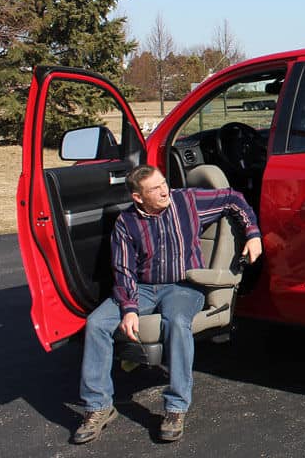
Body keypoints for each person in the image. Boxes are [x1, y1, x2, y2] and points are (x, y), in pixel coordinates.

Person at [73, 165, 262, 444]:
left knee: (177, 322)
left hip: (183, 285)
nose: (164, 191)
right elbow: (122, 269)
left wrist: (253, 234)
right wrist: (129, 308)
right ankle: (98, 406)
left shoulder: (187, 201)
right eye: (155, 188)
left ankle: (175, 408)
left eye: (164, 183)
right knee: (97, 324)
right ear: (138, 197)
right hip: (144, 288)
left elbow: (233, 199)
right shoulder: (126, 223)